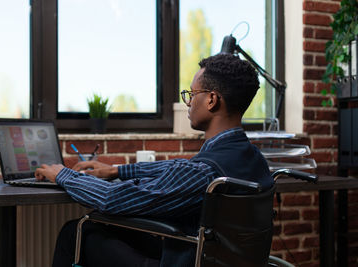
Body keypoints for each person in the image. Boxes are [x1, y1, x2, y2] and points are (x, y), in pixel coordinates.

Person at [35, 53, 273, 267]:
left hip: (188, 260)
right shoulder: (254, 159)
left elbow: (113, 199)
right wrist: (117, 170)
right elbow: (179, 167)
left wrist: (63, 174)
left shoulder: (203, 171)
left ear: (211, 100)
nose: (188, 102)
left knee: (77, 231)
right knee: (102, 229)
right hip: (209, 257)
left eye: (192, 94)